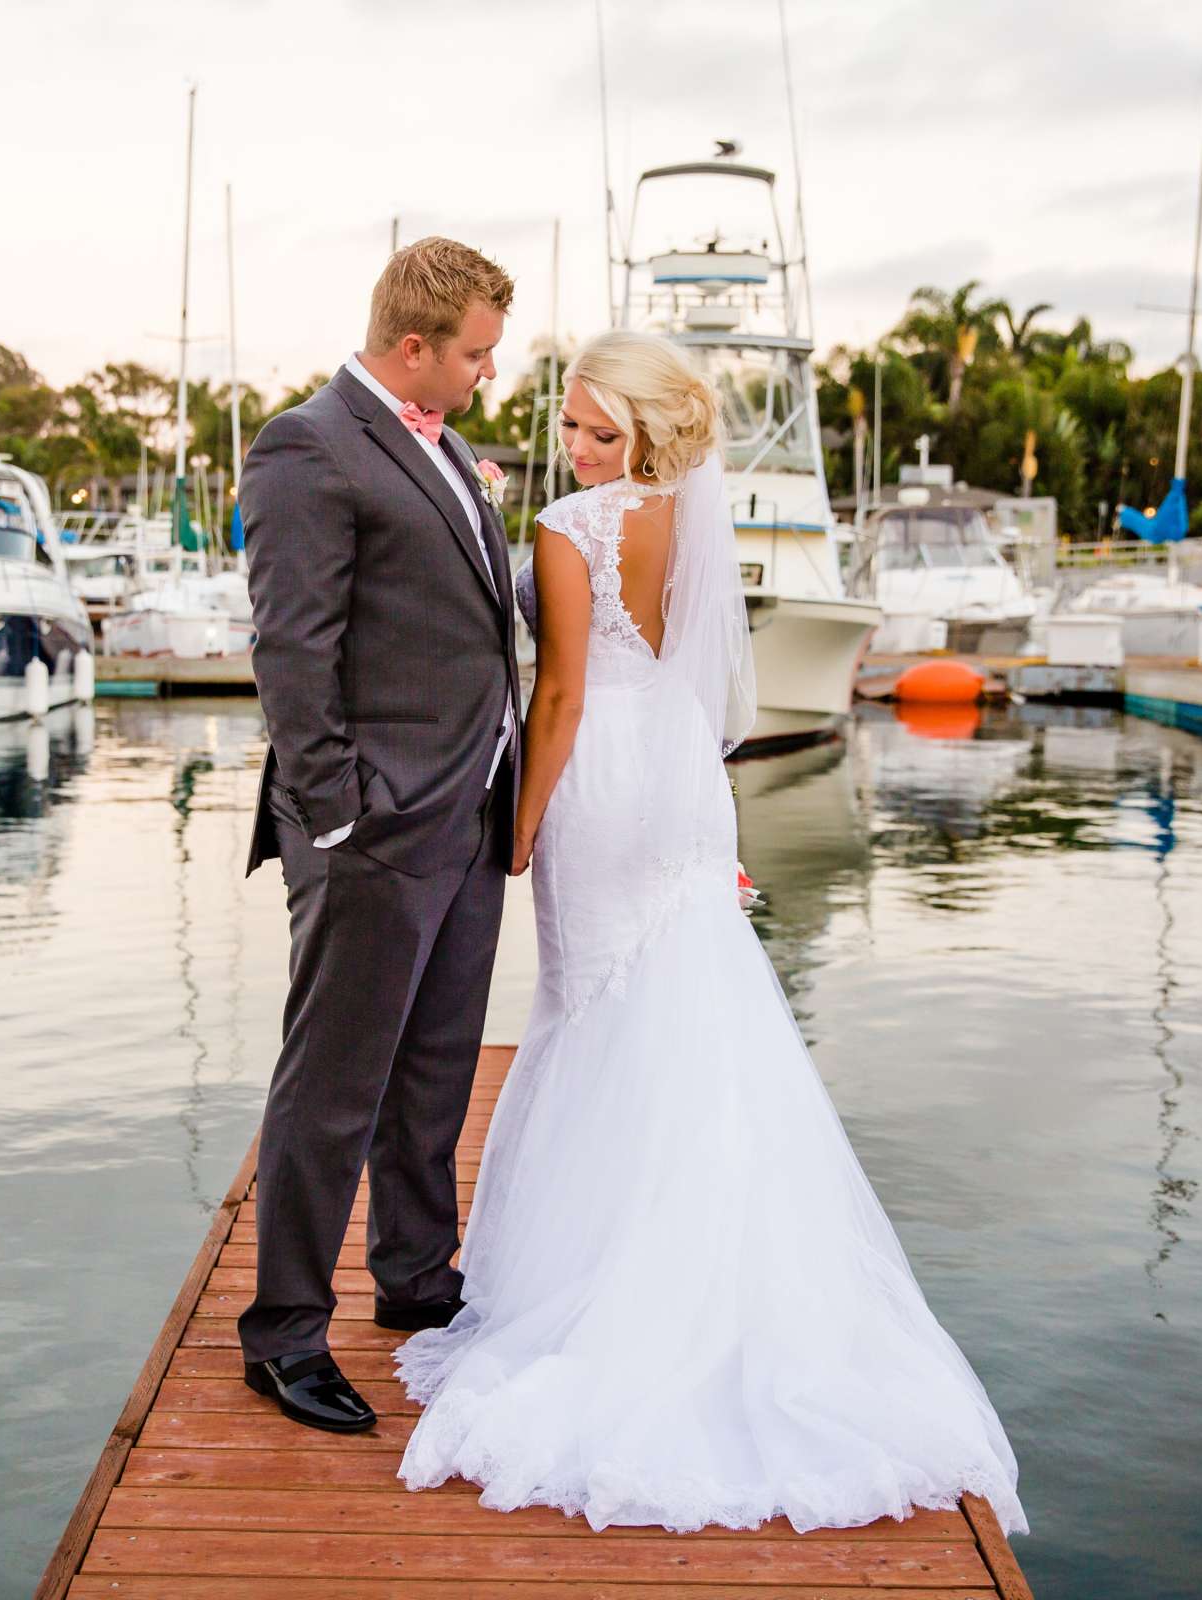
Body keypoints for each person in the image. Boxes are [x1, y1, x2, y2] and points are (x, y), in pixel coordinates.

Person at [393, 330, 1028, 1537]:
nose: (573, 448)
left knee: (591, 1002)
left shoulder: (574, 526)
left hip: (599, 775)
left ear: (641, 428)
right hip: (681, 772)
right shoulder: (694, 514)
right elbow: (693, 673)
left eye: (596, 430)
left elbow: (565, 691)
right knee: (687, 988)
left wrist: (520, 826)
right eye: (571, 426)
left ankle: (609, 1281)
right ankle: (721, 1266)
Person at [235, 238, 522, 1433]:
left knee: (437, 1067)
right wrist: (338, 813)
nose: (486, 375)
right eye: (475, 353)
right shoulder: (307, 445)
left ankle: (414, 1277)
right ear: (415, 347)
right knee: (334, 1083)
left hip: (468, 811)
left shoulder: (448, 446)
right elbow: (291, 650)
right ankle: (285, 1333)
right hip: (373, 827)